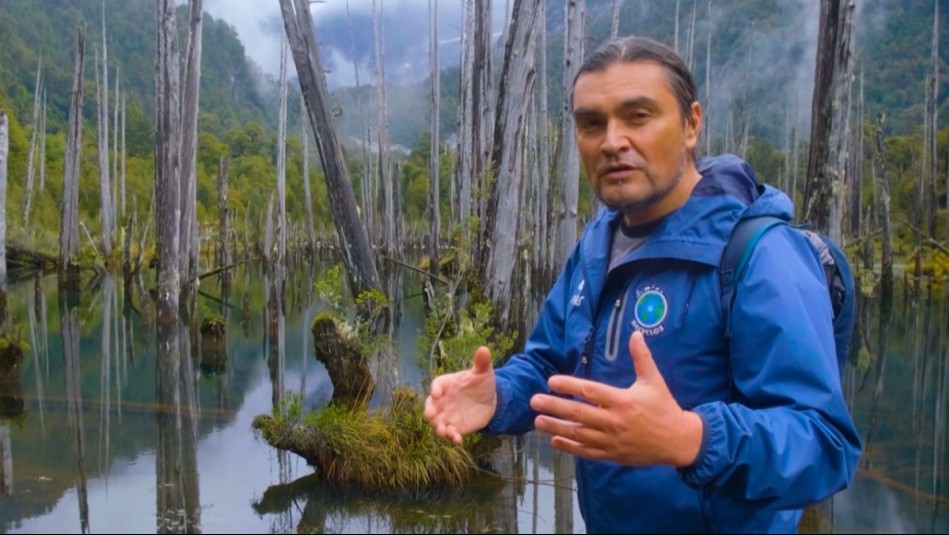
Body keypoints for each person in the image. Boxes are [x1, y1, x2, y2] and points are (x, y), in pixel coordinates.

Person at [424, 35, 861, 533]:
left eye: (638, 116)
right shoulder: (597, 244)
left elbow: (825, 443)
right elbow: (551, 364)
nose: (612, 141)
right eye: (592, 123)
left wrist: (690, 438)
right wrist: (498, 396)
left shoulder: (759, 254)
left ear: (691, 124)